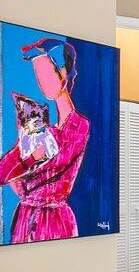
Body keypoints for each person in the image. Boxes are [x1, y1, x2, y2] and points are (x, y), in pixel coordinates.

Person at [0, 37, 88, 243]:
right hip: (24, 218)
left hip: (55, 221)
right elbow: (4, 172)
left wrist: (25, 163)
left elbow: (52, 163)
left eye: (46, 72)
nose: (42, 81)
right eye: (38, 74)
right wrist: (27, 159)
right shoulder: (39, 129)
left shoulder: (78, 126)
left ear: (63, 75)